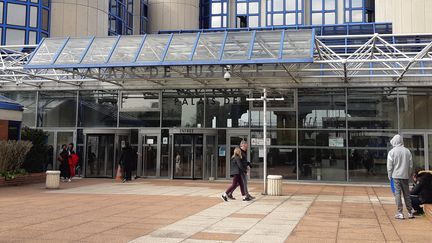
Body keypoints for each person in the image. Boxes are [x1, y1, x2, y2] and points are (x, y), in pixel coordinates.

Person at [387, 134, 414, 219]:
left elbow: (389, 166)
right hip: (405, 176)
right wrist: (408, 174)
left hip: (396, 176)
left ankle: (400, 212)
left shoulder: (392, 152)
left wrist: (389, 175)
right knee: (407, 194)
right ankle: (410, 212)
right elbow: (410, 165)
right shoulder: (407, 151)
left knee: (397, 194)